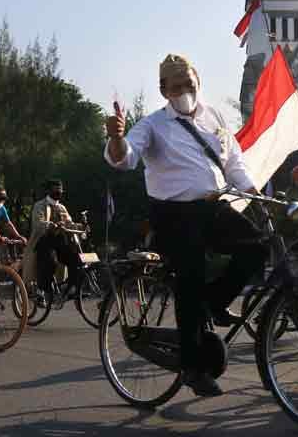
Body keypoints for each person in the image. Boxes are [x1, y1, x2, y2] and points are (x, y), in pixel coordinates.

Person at [105, 53, 267, 397]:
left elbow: (234, 162)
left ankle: (214, 301)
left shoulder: (215, 117)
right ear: (164, 90)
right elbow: (125, 158)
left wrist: (256, 195)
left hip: (212, 206)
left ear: (198, 84)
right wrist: (117, 138)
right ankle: (193, 368)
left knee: (257, 246)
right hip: (173, 214)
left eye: (189, 85)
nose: (184, 91)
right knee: (190, 277)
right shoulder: (151, 125)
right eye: (176, 87)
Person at [27, 180, 81, 300]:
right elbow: (38, 223)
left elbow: (69, 223)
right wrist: (51, 225)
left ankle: (70, 287)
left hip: (60, 241)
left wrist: (80, 226)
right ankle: (42, 290)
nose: (59, 192)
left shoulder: (61, 207)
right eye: (56, 189)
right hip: (44, 241)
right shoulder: (39, 205)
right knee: (51, 261)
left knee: (76, 258)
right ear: (48, 191)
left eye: (60, 190)